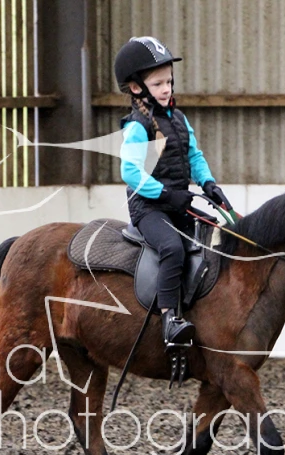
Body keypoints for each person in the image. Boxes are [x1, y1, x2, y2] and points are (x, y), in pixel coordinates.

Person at [114, 36, 232, 348]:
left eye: (168, 81)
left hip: (178, 203)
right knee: (172, 248)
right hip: (149, 208)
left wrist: (209, 184)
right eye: (158, 84)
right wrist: (166, 195)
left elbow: (194, 155)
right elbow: (130, 172)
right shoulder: (137, 126)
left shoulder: (178, 119)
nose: (166, 89)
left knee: (214, 241)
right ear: (137, 87)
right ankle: (170, 320)